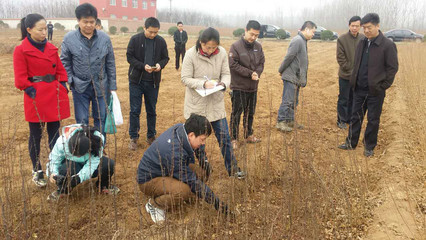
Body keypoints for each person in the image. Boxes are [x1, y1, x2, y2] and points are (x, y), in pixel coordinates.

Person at [138, 114, 232, 223]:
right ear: (191, 135)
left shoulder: (182, 130)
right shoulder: (174, 151)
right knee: (183, 191)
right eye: (202, 139)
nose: (203, 143)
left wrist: (205, 162)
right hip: (149, 179)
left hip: (167, 169)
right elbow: (192, 181)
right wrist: (216, 203)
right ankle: (154, 205)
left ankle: (182, 195)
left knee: (201, 173)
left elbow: (199, 149)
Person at [13, 13, 70, 188]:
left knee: (55, 135)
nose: (45, 32)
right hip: (35, 97)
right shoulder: (21, 50)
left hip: (53, 95)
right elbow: (20, 78)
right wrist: (30, 90)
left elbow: (60, 69)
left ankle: (54, 166)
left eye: (46, 28)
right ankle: (36, 170)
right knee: (36, 135)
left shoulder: (52, 49)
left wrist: (62, 84)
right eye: (41, 29)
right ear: (29, 30)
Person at [181, 27, 246, 178]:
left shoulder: (222, 52)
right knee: (198, 140)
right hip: (197, 104)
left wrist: (223, 84)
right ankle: (205, 167)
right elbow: (185, 78)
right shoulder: (191, 54)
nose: (210, 50)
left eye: (213, 47)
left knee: (224, 138)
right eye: (207, 47)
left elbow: (226, 74)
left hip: (216, 103)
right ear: (200, 43)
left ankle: (233, 169)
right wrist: (203, 84)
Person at [338, 13, 398, 157]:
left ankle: (369, 146)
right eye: (363, 28)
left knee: (373, 119)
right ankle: (351, 142)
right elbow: (358, 63)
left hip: (375, 91)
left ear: (378, 26)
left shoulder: (387, 45)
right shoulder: (362, 42)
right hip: (359, 89)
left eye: (369, 27)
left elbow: (392, 68)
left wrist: (382, 86)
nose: (365, 31)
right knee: (355, 117)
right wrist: (354, 81)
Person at [60, 3, 117, 136]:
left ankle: (99, 149)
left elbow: (110, 63)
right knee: (82, 120)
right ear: (78, 21)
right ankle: (84, 150)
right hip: (80, 86)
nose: (89, 25)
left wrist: (112, 86)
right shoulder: (69, 39)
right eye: (85, 22)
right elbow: (64, 62)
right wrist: (71, 80)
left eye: (92, 22)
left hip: (101, 86)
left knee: (101, 119)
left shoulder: (105, 39)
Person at [127, 17, 169, 150]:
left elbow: (165, 58)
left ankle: (151, 136)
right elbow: (129, 57)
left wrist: (159, 65)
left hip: (153, 83)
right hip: (136, 82)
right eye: (150, 32)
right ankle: (133, 137)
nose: (153, 35)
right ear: (144, 28)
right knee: (135, 110)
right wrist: (142, 66)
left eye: (156, 32)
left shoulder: (161, 41)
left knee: (151, 110)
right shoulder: (135, 39)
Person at [46, 124, 119, 201]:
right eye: (75, 154)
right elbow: (54, 160)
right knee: (64, 170)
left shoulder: (97, 140)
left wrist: (78, 178)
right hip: (73, 163)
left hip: (90, 162)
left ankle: (103, 185)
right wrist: (52, 173)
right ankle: (64, 190)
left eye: (80, 154)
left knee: (108, 164)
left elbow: (93, 164)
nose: (78, 156)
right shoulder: (62, 142)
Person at [229, 20, 265, 149]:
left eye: (256, 35)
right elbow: (233, 65)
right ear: (245, 30)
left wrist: (257, 73)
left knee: (250, 112)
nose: (253, 38)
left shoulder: (258, 47)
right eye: (251, 34)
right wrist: (250, 73)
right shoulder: (235, 46)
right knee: (236, 113)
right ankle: (233, 138)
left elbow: (261, 62)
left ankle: (249, 134)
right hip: (239, 87)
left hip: (253, 87)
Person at [276, 21, 317, 132]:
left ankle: (290, 120)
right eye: (313, 32)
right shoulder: (298, 40)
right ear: (307, 29)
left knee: (294, 101)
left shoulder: (303, 41)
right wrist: (281, 69)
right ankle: (281, 122)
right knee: (288, 100)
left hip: (296, 77)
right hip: (291, 76)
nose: (313, 34)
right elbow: (289, 57)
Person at [336, 16, 364, 129]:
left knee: (354, 98)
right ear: (349, 26)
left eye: (357, 26)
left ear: (360, 27)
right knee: (344, 98)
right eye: (352, 25)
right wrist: (351, 70)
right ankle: (341, 120)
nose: (354, 28)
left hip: (358, 77)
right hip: (345, 76)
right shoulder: (342, 39)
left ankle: (350, 119)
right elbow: (340, 58)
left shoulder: (363, 39)